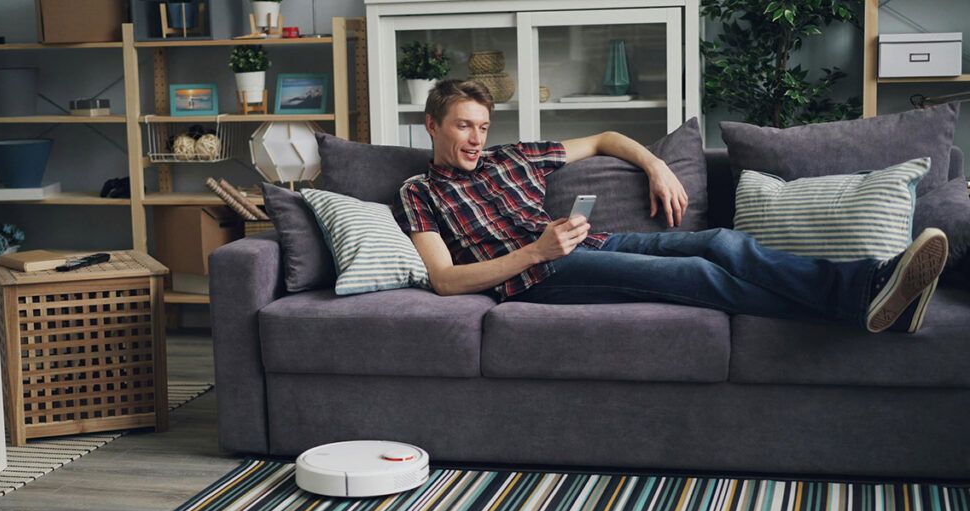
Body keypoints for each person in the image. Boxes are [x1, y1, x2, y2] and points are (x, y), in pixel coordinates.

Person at [392, 79, 949, 333]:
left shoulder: (515, 157)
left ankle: (873, 289)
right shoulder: (420, 191)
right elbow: (444, 280)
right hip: (540, 273)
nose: (475, 137)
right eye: (464, 125)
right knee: (702, 276)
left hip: (593, 242)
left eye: (482, 126)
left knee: (722, 242)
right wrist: (534, 252)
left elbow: (607, 136)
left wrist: (656, 165)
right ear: (433, 125)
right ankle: (864, 296)